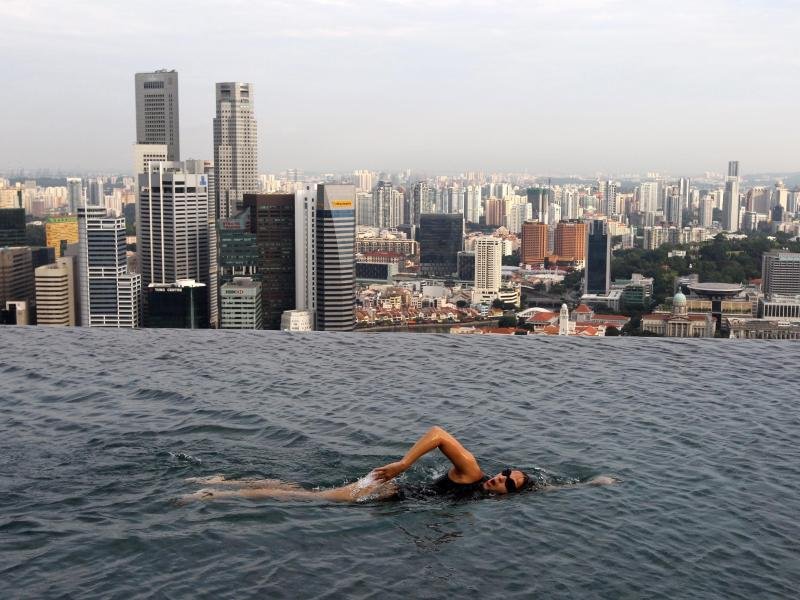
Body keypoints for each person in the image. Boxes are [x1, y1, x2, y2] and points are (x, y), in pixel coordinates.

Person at [180, 426, 616, 504]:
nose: (500, 478)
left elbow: (548, 490)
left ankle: (223, 481)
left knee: (299, 489)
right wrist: (405, 464)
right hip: (384, 489)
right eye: (506, 472)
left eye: (508, 483)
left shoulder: (489, 499)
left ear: (510, 496)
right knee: (299, 498)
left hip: (387, 494)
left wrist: (593, 483)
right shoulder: (473, 472)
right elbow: (439, 433)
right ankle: (214, 494)